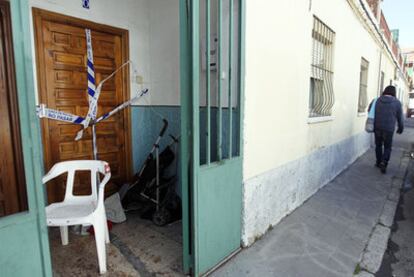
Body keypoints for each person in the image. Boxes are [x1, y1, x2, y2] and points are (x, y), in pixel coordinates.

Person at [368, 85, 404, 174]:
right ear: (394, 93)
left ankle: (378, 162)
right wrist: (400, 127)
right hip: (389, 129)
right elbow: (400, 117)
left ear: (385, 91)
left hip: (377, 127)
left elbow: (369, 110)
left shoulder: (376, 100)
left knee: (378, 145)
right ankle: (384, 162)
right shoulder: (397, 103)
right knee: (388, 147)